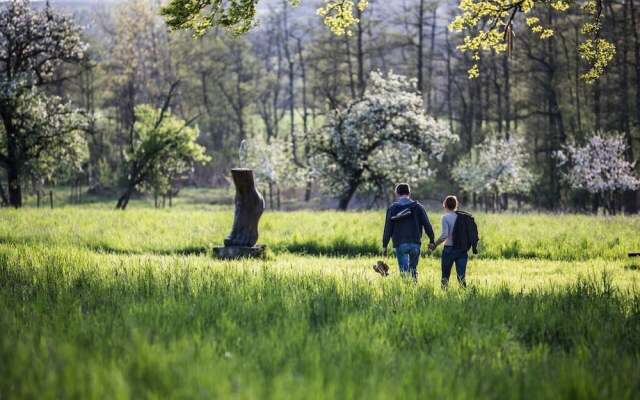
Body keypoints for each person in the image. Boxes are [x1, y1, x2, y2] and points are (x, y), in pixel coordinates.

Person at [382, 183, 435, 280]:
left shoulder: (392, 208)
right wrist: (431, 240)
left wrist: (384, 245)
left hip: (400, 244)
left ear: (397, 193)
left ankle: (407, 292)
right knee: (413, 270)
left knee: (404, 273)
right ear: (409, 193)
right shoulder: (418, 207)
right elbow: (427, 225)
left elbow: (388, 229)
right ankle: (414, 291)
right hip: (415, 243)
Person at [430, 195, 479, 289]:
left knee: (445, 276)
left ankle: (444, 294)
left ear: (445, 205)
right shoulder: (463, 217)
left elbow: (444, 235)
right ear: (456, 205)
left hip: (449, 250)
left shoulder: (445, 217)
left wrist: (435, 244)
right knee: (461, 276)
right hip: (462, 250)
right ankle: (464, 294)